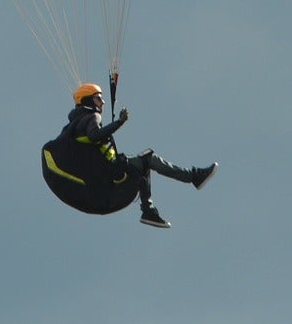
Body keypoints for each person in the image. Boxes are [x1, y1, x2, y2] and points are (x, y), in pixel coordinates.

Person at [40, 82, 215, 228]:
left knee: (143, 165)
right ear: (88, 100)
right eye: (98, 98)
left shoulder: (73, 125)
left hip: (100, 188)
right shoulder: (92, 116)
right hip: (109, 183)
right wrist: (119, 122)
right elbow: (94, 136)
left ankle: (149, 210)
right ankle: (192, 178)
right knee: (148, 160)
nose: (102, 102)